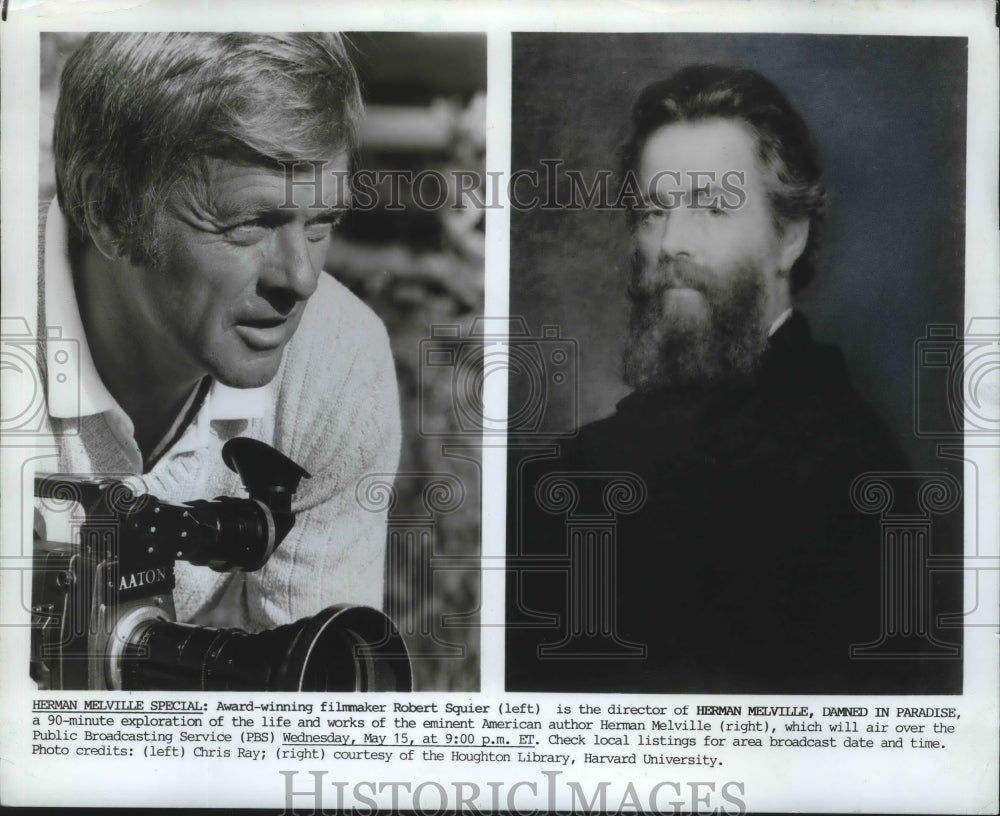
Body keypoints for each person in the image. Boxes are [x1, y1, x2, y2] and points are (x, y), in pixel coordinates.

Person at [507, 64, 958, 693]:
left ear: (789, 238)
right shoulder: (588, 465)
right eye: (652, 210)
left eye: (711, 207)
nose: (671, 243)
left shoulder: (849, 473)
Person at [36, 33, 400, 632]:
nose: (302, 280)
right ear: (108, 210)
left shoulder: (337, 359)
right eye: (252, 224)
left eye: (323, 222)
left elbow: (317, 709)